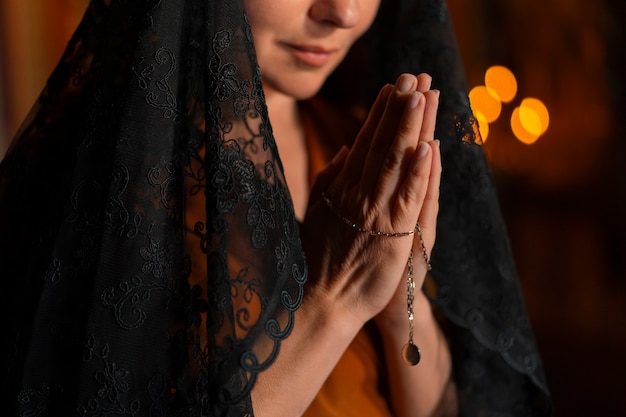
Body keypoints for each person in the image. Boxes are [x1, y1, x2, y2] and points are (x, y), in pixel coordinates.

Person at [0, 0, 552, 416]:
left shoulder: (357, 149)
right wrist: (336, 299)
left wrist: (398, 302)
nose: (344, 11)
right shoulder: (108, 186)